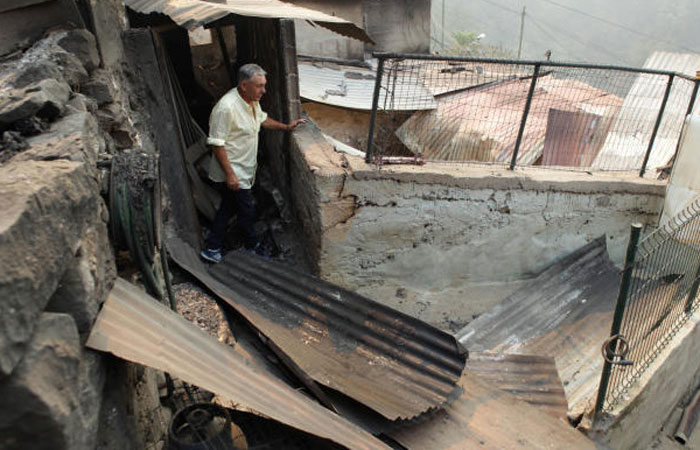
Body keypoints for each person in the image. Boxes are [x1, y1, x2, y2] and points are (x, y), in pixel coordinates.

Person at [200, 63, 306, 264]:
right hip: (233, 171)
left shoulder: (251, 101)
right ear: (243, 85)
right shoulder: (226, 108)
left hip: (245, 168)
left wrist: (286, 127)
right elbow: (216, 144)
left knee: (228, 207)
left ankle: (212, 247)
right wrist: (231, 175)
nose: (263, 91)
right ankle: (252, 246)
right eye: (259, 86)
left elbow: (262, 120)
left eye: (263, 85)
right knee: (247, 210)